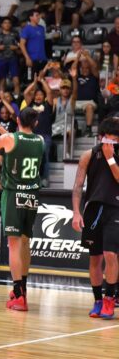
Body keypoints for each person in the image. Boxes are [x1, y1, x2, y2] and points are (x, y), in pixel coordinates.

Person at [0, 108, 44, 311]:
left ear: (17, 120)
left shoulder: (9, 139)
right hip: (32, 195)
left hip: (14, 194)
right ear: (35, 124)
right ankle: (23, 289)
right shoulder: (41, 140)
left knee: (14, 245)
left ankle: (18, 294)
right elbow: (13, 139)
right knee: (25, 242)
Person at [72, 117, 119, 319]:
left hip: (115, 208)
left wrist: (111, 159)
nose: (114, 142)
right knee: (95, 258)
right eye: (111, 138)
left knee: (110, 255)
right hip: (93, 209)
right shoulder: (88, 155)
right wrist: (76, 212)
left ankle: (110, 299)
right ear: (102, 137)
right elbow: (77, 186)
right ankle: (98, 300)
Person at [23, 78, 56, 187]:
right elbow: (26, 93)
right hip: (32, 136)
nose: (38, 96)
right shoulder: (30, 105)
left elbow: (50, 92)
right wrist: (34, 82)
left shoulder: (48, 106)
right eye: (36, 95)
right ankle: (32, 179)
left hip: (45, 136)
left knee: (44, 157)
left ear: (44, 96)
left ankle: (45, 179)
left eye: (41, 95)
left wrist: (42, 81)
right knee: (31, 158)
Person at [0, 17, 21, 95]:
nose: (7, 24)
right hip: (1, 59)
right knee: (2, 81)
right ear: (2, 25)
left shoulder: (15, 34)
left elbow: (21, 46)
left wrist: (16, 48)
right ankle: (2, 99)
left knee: (16, 81)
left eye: (9, 23)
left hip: (13, 59)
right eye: (5, 23)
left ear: (11, 25)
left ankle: (17, 99)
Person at [20, 10, 47, 77]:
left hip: (42, 59)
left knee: (42, 81)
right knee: (32, 81)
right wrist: (27, 58)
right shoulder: (26, 29)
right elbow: (21, 44)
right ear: (31, 17)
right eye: (36, 15)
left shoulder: (42, 28)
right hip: (32, 59)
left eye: (39, 15)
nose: (39, 17)